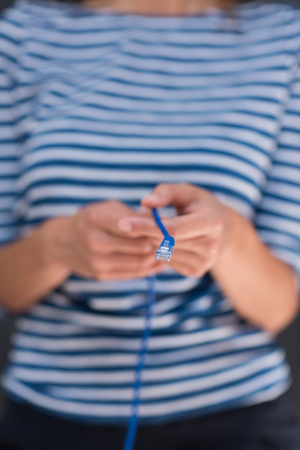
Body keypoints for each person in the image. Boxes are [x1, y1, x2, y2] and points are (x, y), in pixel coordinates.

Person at [0, 0, 300, 448]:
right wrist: (57, 246)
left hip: (237, 418)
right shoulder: (23, 33)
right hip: (47, 419)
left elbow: (279, 307)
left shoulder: (285, 40)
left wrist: (229, 239)